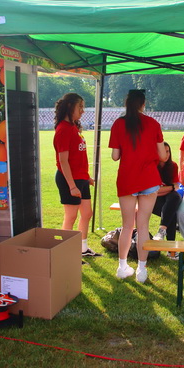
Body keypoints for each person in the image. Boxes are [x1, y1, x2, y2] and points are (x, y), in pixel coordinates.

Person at [109, 89, 167, 283]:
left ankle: (122, 266)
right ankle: (142, 270)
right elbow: (163, 155)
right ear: (143, 104)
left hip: (127, 179)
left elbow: (115, 156)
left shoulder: (119, 124)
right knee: (143, 226)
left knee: (127, 226)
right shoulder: (153, 124)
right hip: (149, 179)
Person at [53, 93, 101, 259]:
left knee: (87, 214)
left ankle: (82, 248)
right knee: (71, 216)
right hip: (69, 180)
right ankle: (63, 253)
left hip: (80, 178)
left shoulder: (73, 127)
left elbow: (78, 156)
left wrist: (86, 177)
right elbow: (63, 161)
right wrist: (72, 186)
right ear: (69, 106)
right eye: (80, 107)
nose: (82, 110)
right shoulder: (63, 129)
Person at [152, 142, 182, 257]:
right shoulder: (152, 166)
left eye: (168, 151)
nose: (167, 154)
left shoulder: (173, 165)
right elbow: (153, 191)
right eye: (163, 151)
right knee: (171, 213)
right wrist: (170, 188)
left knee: (174, 197)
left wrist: (163, 190)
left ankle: (162, 231)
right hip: (152, 200)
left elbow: (176, 187)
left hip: (169, 198)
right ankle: (171, 251)